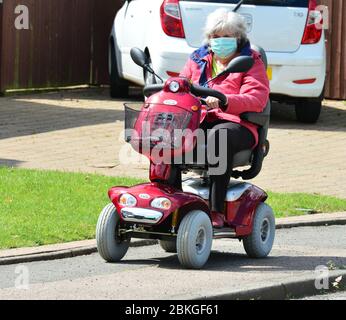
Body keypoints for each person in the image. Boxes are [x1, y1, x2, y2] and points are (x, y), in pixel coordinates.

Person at [179, 9, 270, 228]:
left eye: (226, 37)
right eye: (215, 36)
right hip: (202, 119)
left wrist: (225, 100)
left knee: (220, 137)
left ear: (238, 38)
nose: (220, 41)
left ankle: (216, 210)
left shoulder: (250, 61)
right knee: (170, 134)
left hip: (238, 124)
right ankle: (172, 199)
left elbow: (256, 98)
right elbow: (182, 84)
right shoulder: (197, 59)